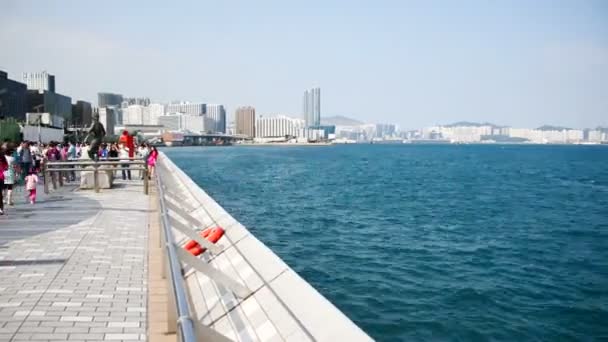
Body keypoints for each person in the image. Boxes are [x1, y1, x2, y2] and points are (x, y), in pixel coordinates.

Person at [0, 149, 7, 215]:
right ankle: (1, 209)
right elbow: (6, 167)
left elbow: (6, 167)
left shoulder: (2, 156)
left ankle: (1, 209)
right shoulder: (2, 156)